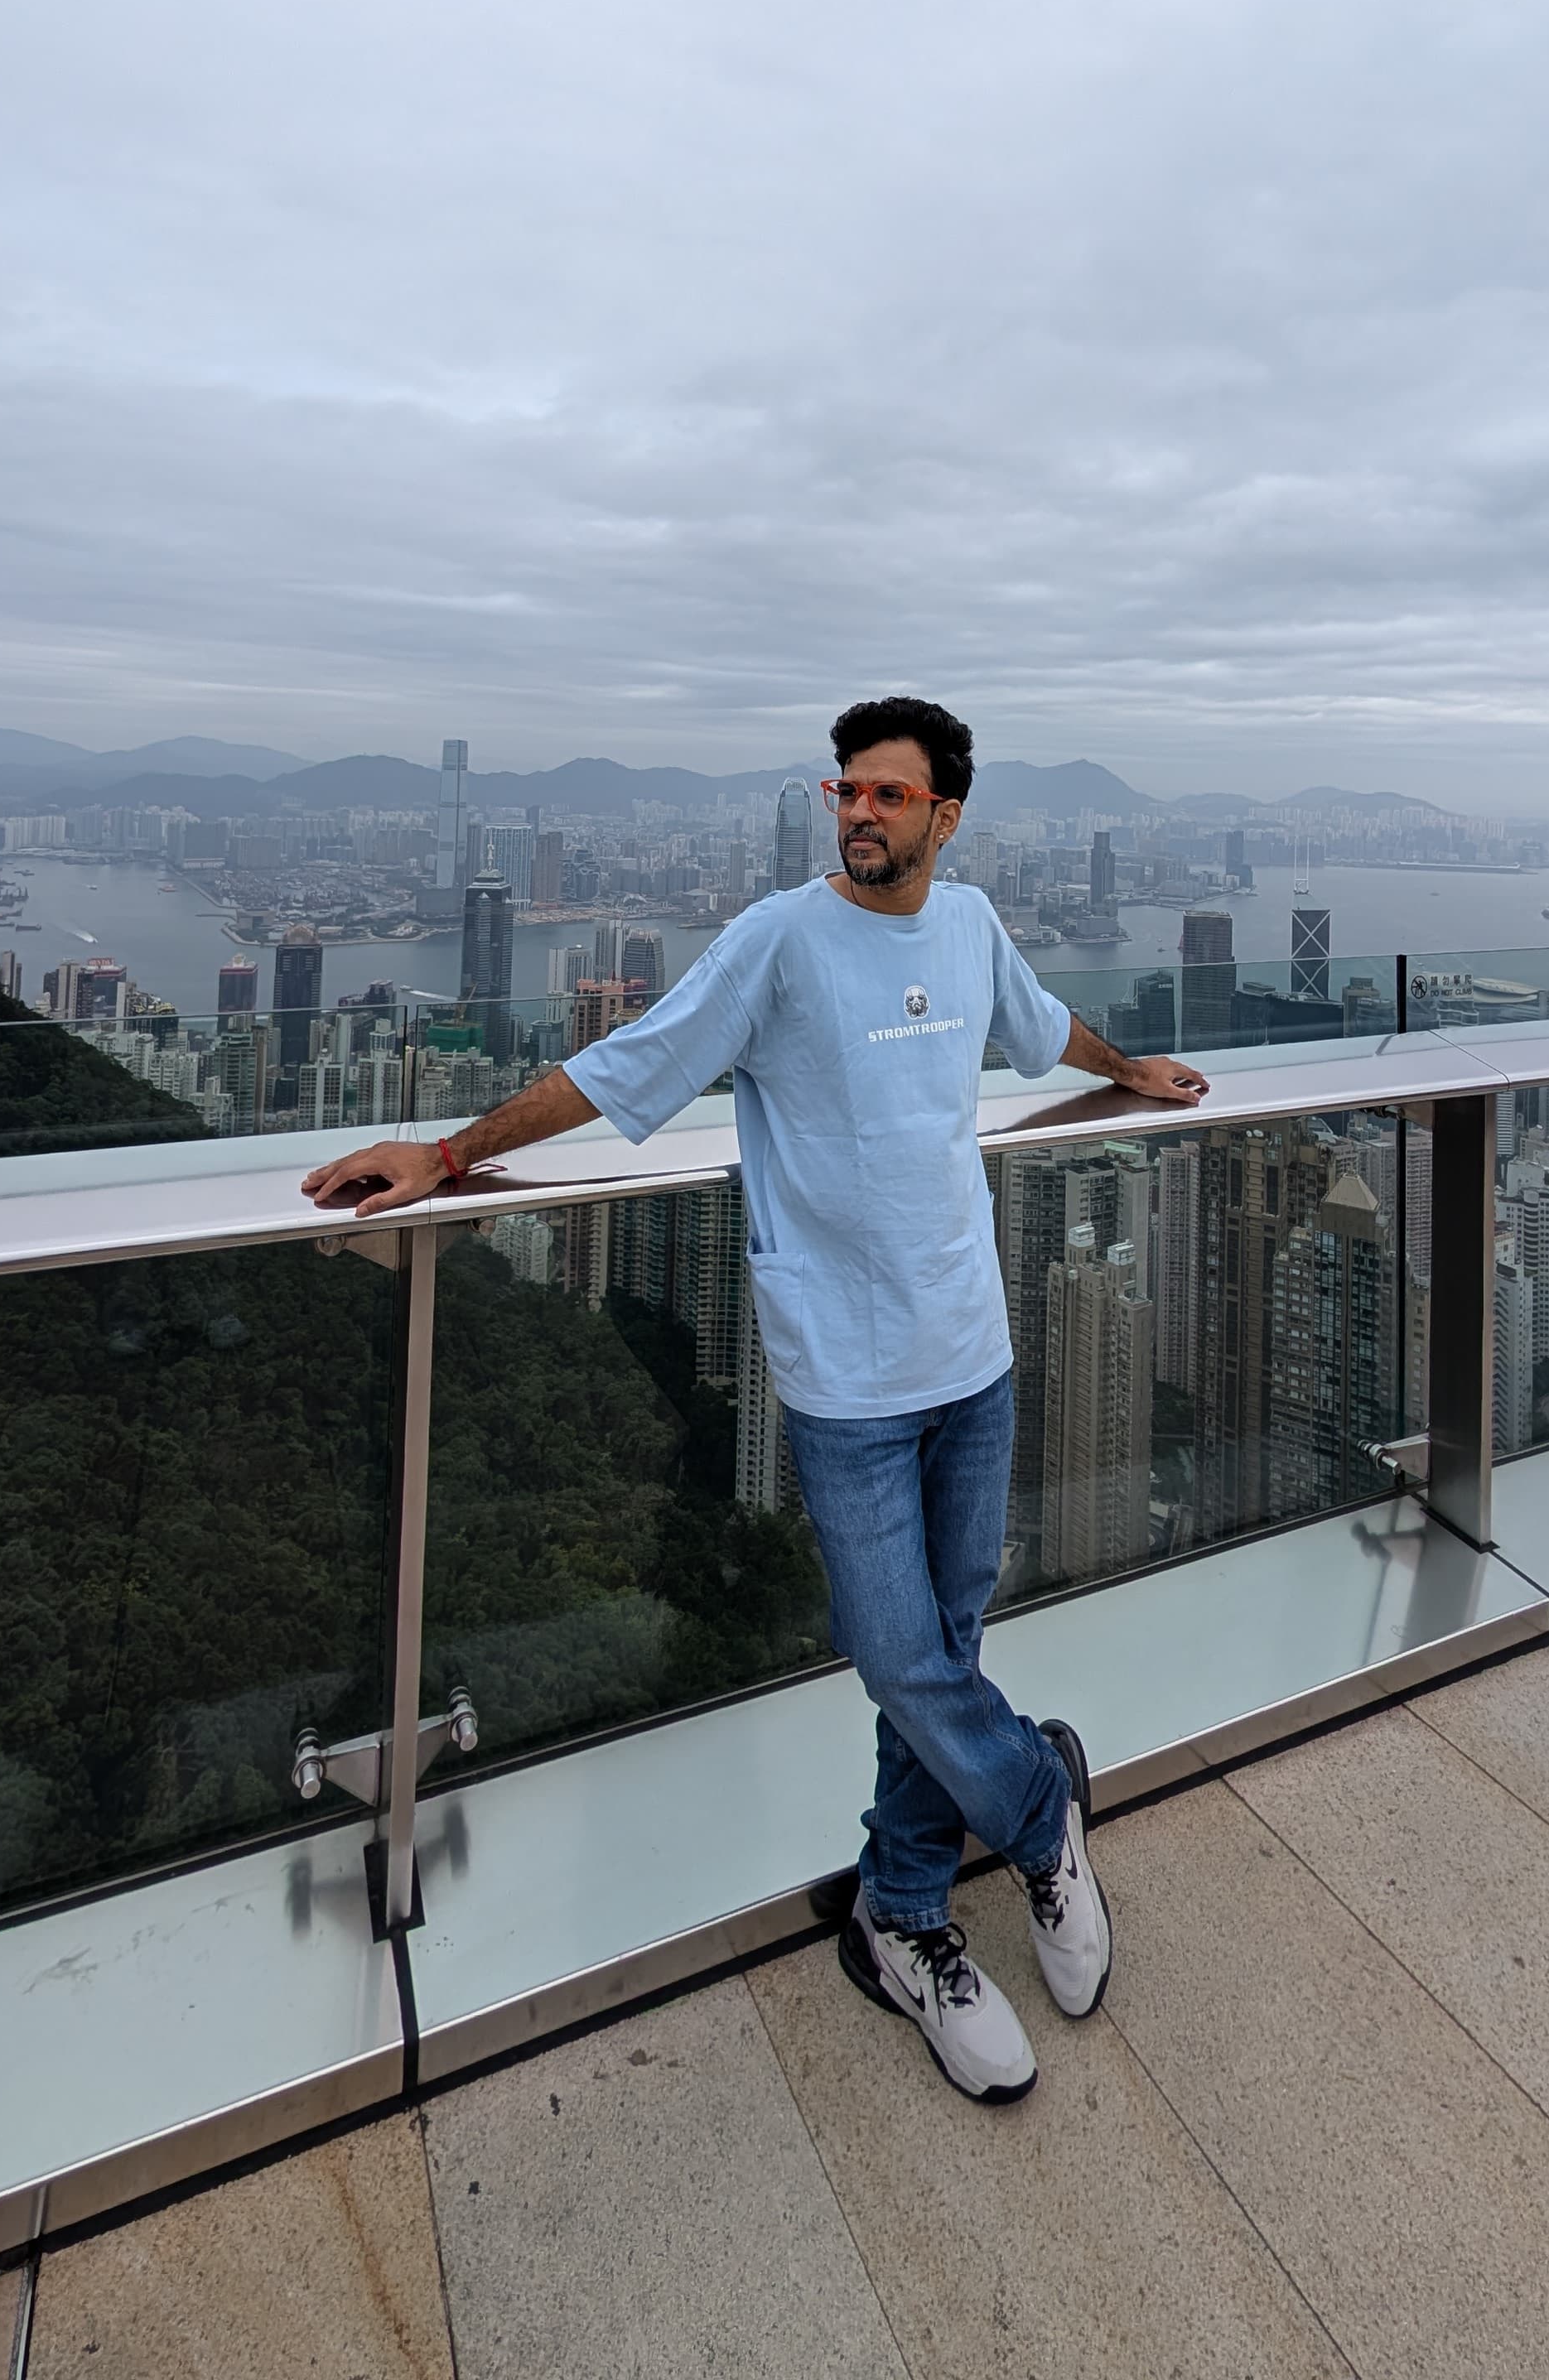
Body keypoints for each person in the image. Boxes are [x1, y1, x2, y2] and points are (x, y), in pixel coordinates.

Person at [304, 696, 1208, 2103]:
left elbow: (1045, 1029)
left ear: (945, 816)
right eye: (846, 790)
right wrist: (452, 1151)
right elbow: (627, 1066)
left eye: (889, 795)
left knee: (944, 1647)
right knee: (899, 1655)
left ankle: (902, 1917)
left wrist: (1130, 1069)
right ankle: (1042, 1806)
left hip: (973, 1353)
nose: (859, 812)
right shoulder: (781, 941)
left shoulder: (971, 928)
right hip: (845, 1377)